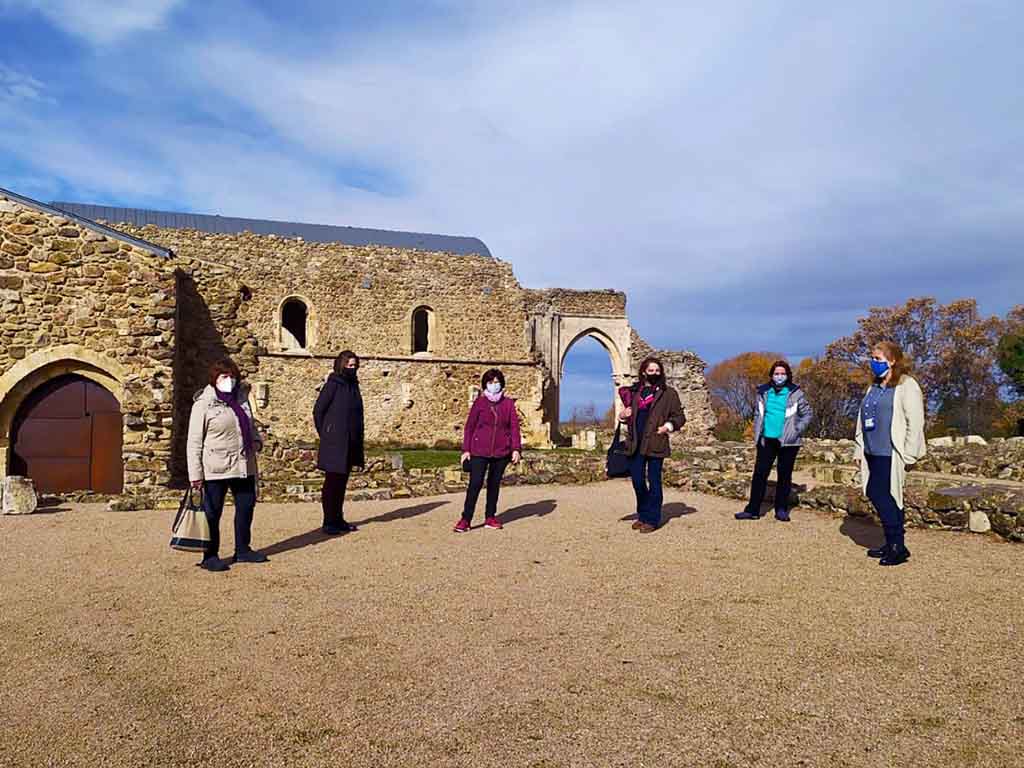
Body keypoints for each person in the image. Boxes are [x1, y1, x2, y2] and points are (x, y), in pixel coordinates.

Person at [187, 358, 266, 572]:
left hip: (243, 465)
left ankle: (243, 550)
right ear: (214, 378)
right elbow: (194, 442)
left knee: (246, 507)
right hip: (216, 468)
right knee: (212, 513)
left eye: (232, 376)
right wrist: (195, 475)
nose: (229, 380)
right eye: (224, 376)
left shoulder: (241, 400)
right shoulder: (203, 404)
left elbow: (250, 425)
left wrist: (257, 441)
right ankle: (210, 555)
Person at [854, 341, 926, 566]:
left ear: (892, 360)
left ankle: (897, 546)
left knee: (883, 495)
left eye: (878, 359)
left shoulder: (906, 385)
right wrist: (858, 448)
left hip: (891, 452)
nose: (873, 362)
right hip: (871, 450)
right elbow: (862, 420)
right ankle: (892, 542)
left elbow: (915, 422)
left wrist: (909, 454)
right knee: (878, 493)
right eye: (872, 358)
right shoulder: (874, 387)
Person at [735, 360, 813, 522]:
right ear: (771, 375)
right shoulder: (763, 392)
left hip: (788, 442)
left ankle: (781, 509)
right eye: (777, 373)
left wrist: (797, 430)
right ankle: (752, 510)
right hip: (766, 440)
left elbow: (807, 414)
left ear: (788, 375)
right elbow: (758, 414)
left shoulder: (796, 393)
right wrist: (758, 434)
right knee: (759, 474)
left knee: (784, 476)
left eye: (783, 373)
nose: (779, 376)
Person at [618, 357, 686, 532]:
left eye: (657, 370)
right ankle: (643, 514)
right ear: (644, 372)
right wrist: (622, 416)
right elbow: (630, 416)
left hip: (656, 442)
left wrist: (667, 427)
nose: (655, 373)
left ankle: (652, 519)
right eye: (651, 370)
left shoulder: (669, 393)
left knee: (655, 483)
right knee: (638, 482)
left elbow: (679, 417)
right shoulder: (635, 392)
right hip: (635, 443)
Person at [455, 369, 522, 532]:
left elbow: (514, 427)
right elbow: (469, 427)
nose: (494, 385)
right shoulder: (480, 403)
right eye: (490, 382)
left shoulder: (508, 404)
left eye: (497, 382)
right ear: (485, 384)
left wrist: (516, 449)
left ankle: (490, 517)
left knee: (494, 485)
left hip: (501, 451)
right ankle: (465, 519)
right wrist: (466, 450)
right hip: (479, 450)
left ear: (502, 384)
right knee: (475, 484)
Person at [313, 350, 366, 535]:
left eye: (355, 365)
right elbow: (318, 411)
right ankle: (329, 521)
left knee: (342, 482)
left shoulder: (353, 385)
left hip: (350, 442)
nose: (352, 368)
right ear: (341, 365)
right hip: (334, 442)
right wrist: (327, 433)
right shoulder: (333, 384)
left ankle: (338, 518)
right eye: (349, 365)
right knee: (332, 483)